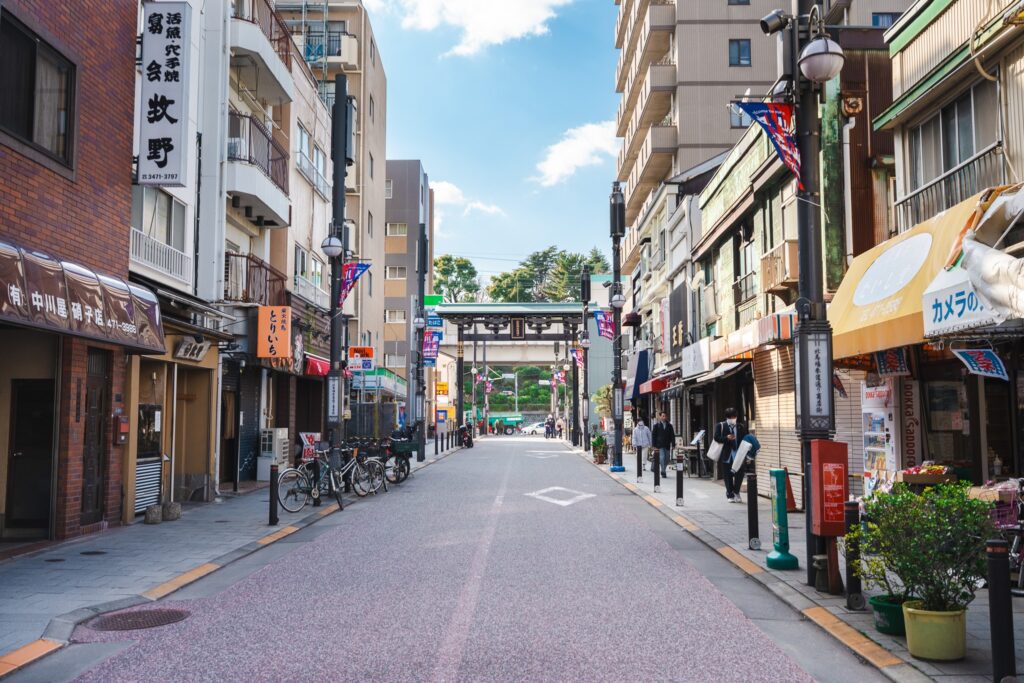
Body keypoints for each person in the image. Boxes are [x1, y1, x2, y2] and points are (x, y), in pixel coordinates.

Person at [713, 407, 749, 502]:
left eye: (735, 417)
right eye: (731, 417)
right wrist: (726, 438)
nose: (733, 419)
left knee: (739, 474)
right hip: (727, 455)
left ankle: (736, 492)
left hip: (738, 454)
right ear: (727, 417)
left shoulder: (740, 426)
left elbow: (745, 439)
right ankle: (730, 494)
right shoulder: (721, 426)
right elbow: (716, 438)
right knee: (727, 475)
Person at [651, 411, 676, 478]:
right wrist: (653, 445)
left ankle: (663, 470)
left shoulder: (669, 426)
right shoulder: (656, 426)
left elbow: (672, 435)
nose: (664, 417)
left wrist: (673, 444)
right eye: (663, 416)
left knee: (667, 459)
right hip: (659, 445)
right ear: (660, 417)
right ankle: (663, 471)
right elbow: (653, 436)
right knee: (662, 457)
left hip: (667, 444)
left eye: (665, 416)